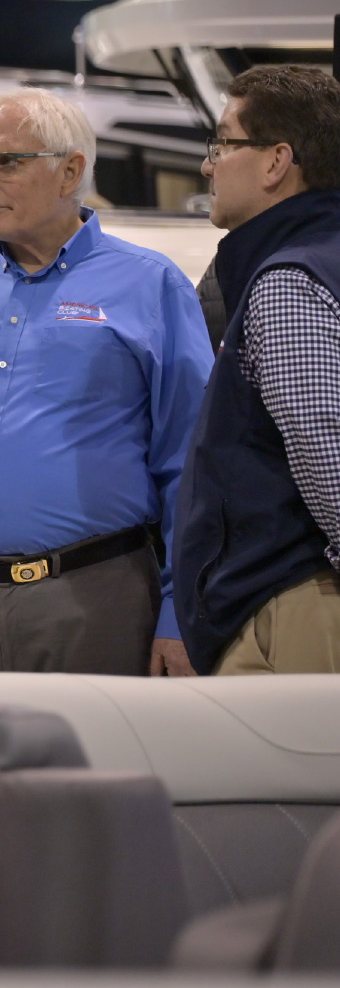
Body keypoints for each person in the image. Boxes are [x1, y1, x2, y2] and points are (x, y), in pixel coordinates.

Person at [0, 87, 213, 676]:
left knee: (93, 767)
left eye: (5, 162)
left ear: (70, 171)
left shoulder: (150, 286)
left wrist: (178, 615)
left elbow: (193, 466)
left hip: (90, 602)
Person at [174, 65, 340, 675]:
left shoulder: (289, 284)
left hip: (300, 608)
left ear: (276, 162)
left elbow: (329, 458)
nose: (208, 165)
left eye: (223, 143)